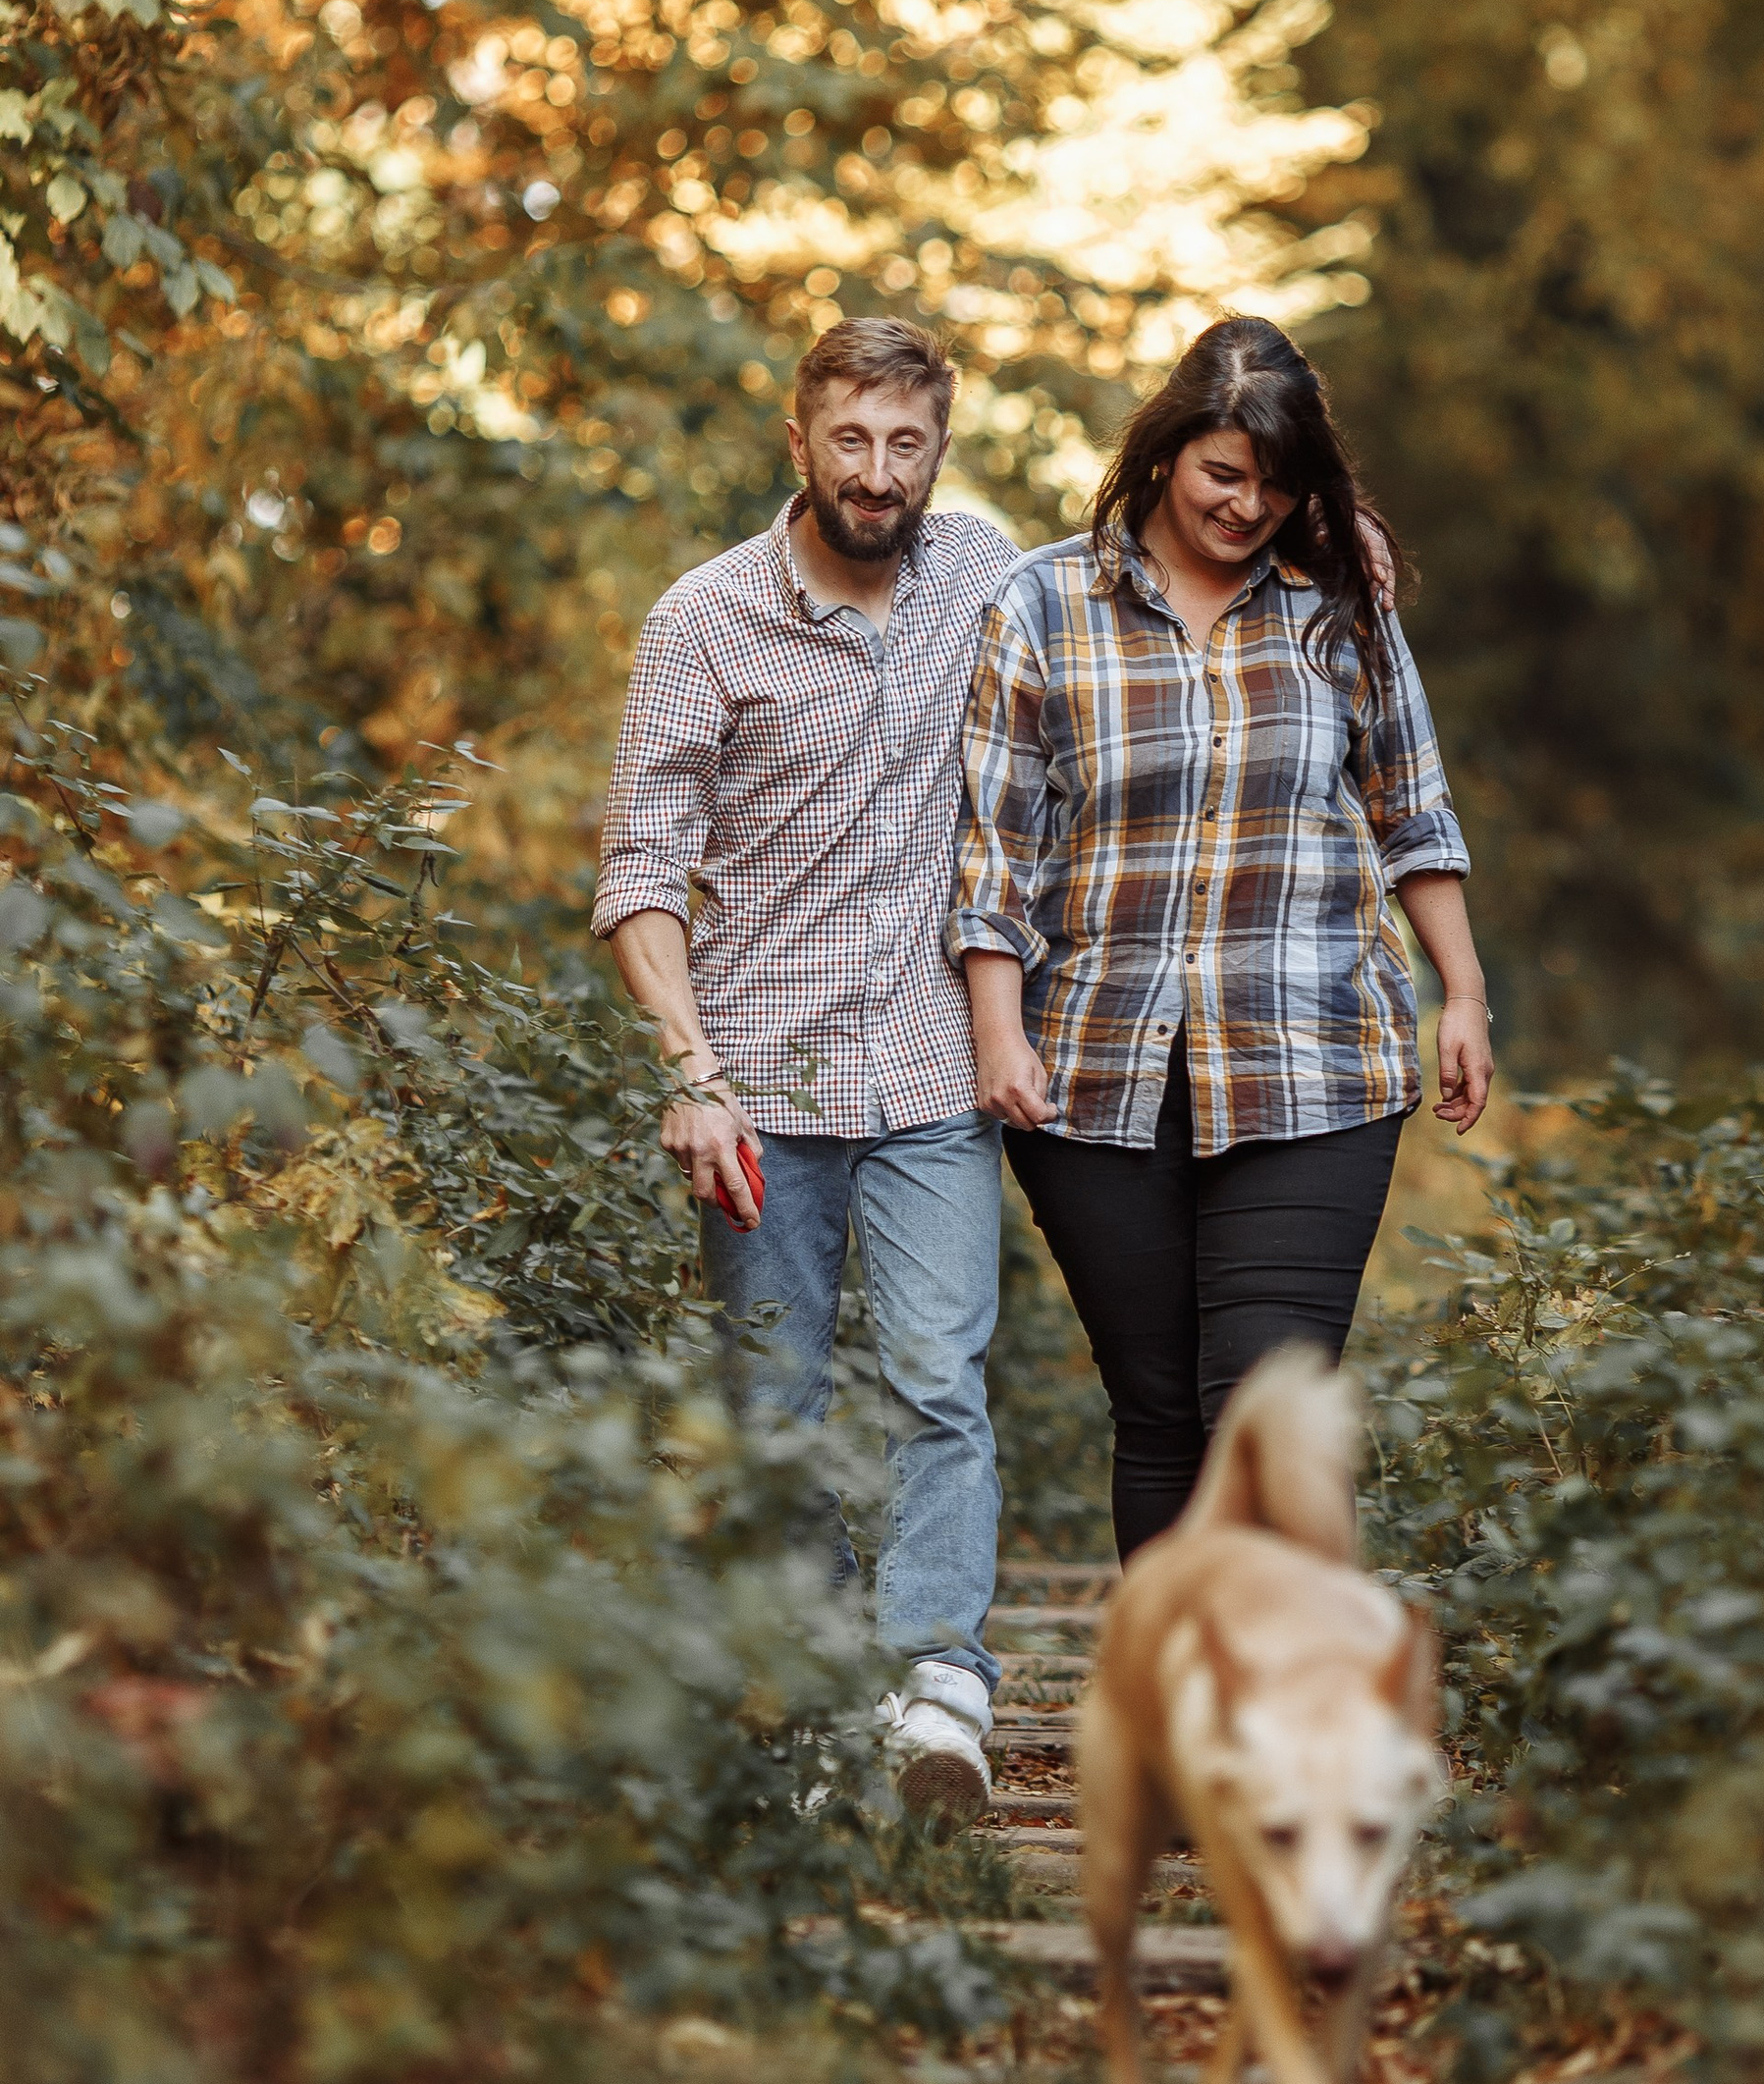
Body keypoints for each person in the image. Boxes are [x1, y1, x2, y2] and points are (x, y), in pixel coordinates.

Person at [949, 313, 1493, 1559]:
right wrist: (996, 1033)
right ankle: (1181, 1736)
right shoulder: (1040, 602)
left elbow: (1413, 808)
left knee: (1264, 1419)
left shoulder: (1337, 605)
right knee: (1157, 1424)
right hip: (1092, 1071)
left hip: (1313, 1064)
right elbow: (994, 847)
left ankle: (1276, 1729)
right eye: (1222, 474)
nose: (1246, 506)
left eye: (1276, 482)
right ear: (1165, 451)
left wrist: (1460, 993)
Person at [591, 316, 1017, 1825]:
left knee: (938, 1385)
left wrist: (1322, 538)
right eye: (851, 438)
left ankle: (940, 1694)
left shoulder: (985, 576)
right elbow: (640, 874)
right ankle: (829, 1694)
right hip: (757, 1087)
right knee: (773, 1412)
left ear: (939, 450)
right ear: (800, 440)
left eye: (907, 443)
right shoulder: (704, 620)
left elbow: (1148, 580)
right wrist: (691, 1068)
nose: (878, 472)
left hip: (931, 1076)